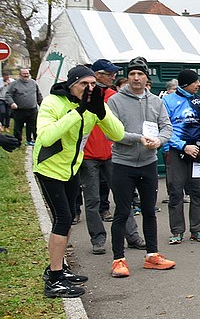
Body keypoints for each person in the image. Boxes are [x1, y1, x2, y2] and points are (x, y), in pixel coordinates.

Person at [34, 65, 124, 298]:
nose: (90, 88)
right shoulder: (53, 102)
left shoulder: (94, 104)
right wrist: (78, 111)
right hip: (49, 168)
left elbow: (118, 134)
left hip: (72, 168)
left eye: (93, 84)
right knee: (63, 218)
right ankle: (54, 280)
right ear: (72, 84)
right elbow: (46, 137)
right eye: (84, 84)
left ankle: (58, 267)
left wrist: (101, 113)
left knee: (68, 219)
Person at [107, 57, 176, 277]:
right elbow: (112, 132)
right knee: (122, 212)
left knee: (149, 210)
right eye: (132, 74)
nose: (136, 78)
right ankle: (118, 259)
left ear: (147, 78)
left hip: (148, 162)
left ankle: (152, 255)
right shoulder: (115, 101)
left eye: (140, 74)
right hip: (122, 163)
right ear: (127, 77)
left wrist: (159, 141)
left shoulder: (156, 101)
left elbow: (167, 127)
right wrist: (138, 138)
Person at [80, 59, 144, 254]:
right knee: (92, 200)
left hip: (112, 154)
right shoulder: (83, 96)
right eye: (109, 74)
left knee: (123, 197)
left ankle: (132, 235)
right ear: (97, 75)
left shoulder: (114, 96)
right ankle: (98, 239)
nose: (113, 77)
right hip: (88, 154)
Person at [162, 69, 200, 245]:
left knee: (197, 191)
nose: (199, 84)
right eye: (195, 82)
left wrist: (198, 144)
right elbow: (164, 128)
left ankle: (197, 229)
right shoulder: (167, 101)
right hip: (176, 151)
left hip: (198, 150)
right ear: (185, 84)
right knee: (176, 191)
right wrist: (183, 146)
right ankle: (177, 231)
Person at [6, 67, 42, 146]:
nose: (26, 75)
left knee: (32, 126)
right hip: (19, 110)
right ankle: (17, 142)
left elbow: (38, 95)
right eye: (24, 74)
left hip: (32, 109)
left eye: (27, 73)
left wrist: (41, 104)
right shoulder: (14, 84)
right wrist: (12, 103)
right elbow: (8, 95)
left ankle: (30, 140)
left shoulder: (33, 83)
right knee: (18, 127)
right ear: (20, 75)